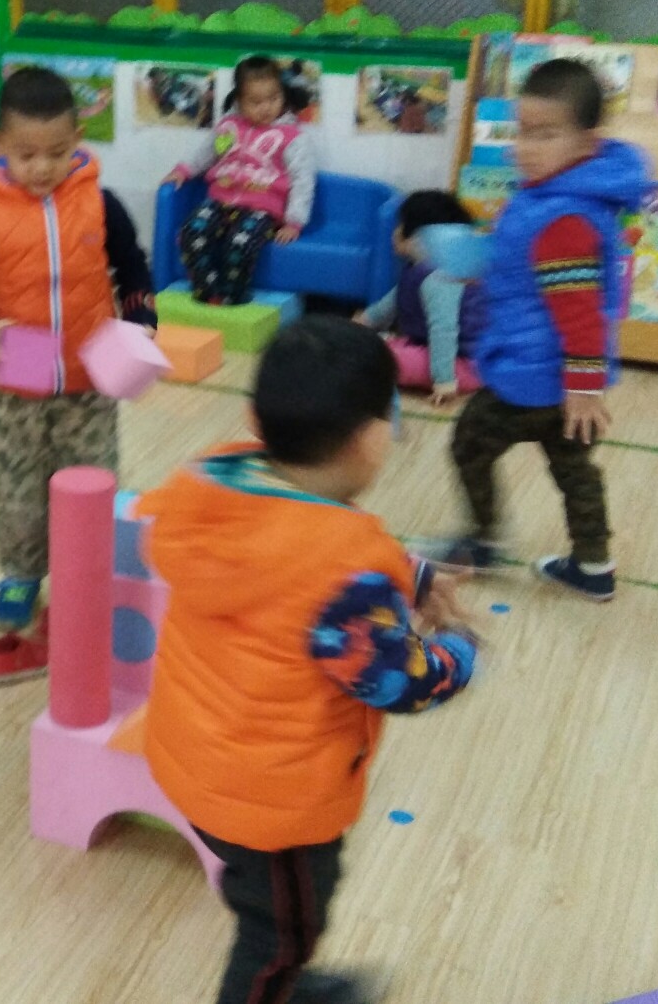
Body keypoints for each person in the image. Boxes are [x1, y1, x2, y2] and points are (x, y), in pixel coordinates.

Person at [138, 317, 480, 1004]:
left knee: (265, 903)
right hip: (277, 805)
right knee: (285, 929)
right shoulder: (343, 570)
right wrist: (459, 655)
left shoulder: (216, 483)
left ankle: (283, 974)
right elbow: (398, 681)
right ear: (373, 437)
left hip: (195, 757)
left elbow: (291, 546)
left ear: (254, 420)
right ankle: (278, 981)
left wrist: (407, 575)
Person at [0, 68, 158, 684]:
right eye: (26, 154)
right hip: (16, 383)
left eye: (58, 152)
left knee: (93, 483)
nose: (42, 167)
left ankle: (86, 579)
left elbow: (133, 268)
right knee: (16, 489)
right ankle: (20, 576)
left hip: (89, 379)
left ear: (78, 140)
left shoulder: (100, 204)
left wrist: (142, 319)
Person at [431, 59, 647, 601]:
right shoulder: (559, 198)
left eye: (545, 135)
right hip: (560, 378)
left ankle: (482, 540)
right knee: (574, 468)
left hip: (532, 376)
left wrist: (583, 388)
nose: (525, 147)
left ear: (587, 143)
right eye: (522, 132)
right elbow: (534, 277)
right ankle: (593, 565)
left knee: (469, 444)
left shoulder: (562, 219)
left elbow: (580, 312)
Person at [166, 55, 320, 306]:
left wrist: (294, 221)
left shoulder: (292, 137)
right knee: (190, 232)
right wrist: (184, 170)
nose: (266, 107)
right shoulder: (228, 127)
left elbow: (303, 180)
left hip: (262, 208)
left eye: (274, 99)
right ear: (239, 100)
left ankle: (234, 294)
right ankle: (208, 290)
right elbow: (207, 153)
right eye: (256, 102)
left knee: (241, 243)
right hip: (219, 201)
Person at [356, 191, 487, 409]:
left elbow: (443, 329)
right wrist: (362, 323)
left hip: (465, 364)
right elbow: (390, 304)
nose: (394, 232)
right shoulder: (419, 270)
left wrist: (444, 381)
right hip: (433, 349)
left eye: (399, 225)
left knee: (379, 359)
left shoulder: (441, 278)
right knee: (373, 347)